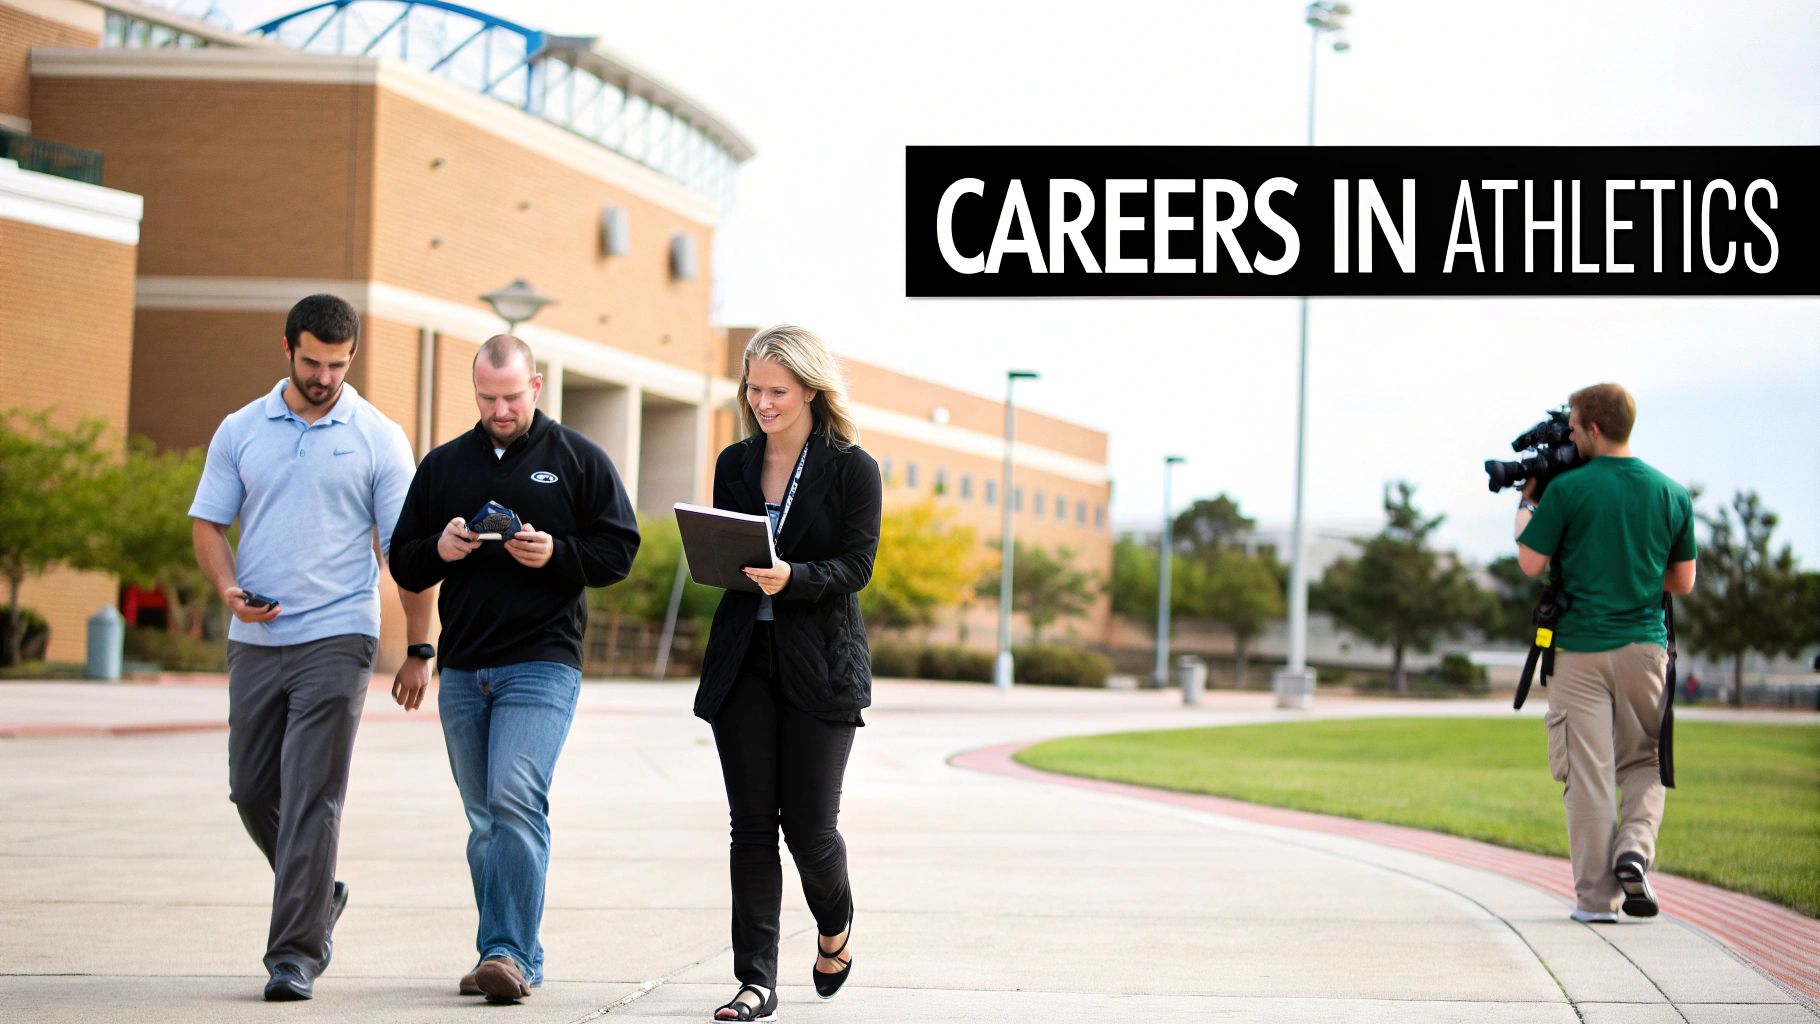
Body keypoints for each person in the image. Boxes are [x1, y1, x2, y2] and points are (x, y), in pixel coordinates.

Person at [189, 293, 433, 1001]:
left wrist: (420, 648)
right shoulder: (241, 429)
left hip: (339, 633)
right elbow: (209, 523)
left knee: (310, 795)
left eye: (336, 364)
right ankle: (319, 891)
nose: (324, 376)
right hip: (257, 636)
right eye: (311, 362)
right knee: (253, 788)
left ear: (351, 358)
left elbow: (406, 553)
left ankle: (295, 953)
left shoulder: (379, 438)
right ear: (287, 348)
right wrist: (229, 589)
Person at [389, 335, 639, 1003]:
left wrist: (556, 553)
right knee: (484, 819)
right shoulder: (444, 466)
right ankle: (498, 948)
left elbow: (620, 551)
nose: (500, 408)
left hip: (543, 662)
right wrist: (440, 549)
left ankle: (512, 955)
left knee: (514, 799)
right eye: (487, 397)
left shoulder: (578, 460)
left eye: (511, 395)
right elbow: (404, 560)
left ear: (536, 387)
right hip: (465, 667)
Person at [694, 325, 881, 1022]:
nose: (763, 402)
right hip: (743, 661)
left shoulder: (851, 469)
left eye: (777, 391)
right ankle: (755, 981)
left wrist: (791, 577)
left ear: (810, 389)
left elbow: (856, 567)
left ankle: (835, 932)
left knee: (810, 829)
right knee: (751, 826)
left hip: (821, 668)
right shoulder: (735, 463)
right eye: (754, 389)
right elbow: (724, 547)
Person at [1515, 382, 1697, 924]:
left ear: (1593, 428)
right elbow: (1682, 583)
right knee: (1644, 761)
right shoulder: (1671, 493)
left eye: (1573, 427)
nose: (1569, 436)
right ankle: (1634, 851)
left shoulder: (1568, 491)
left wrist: (1529, 497)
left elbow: (1529, 561)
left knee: (1589, 773)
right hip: (1646, 650)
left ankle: (1597, 902)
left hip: (1579, 653)